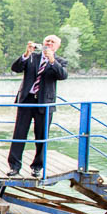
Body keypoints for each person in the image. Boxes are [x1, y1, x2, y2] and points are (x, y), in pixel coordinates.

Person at [7, 35, 68, 179]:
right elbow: (15, 68)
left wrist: (52, 60)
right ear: (42, 43)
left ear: (57, 46)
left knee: (41, 136)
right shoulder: (32, 57)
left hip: (44, 103)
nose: (49, 43)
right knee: (19, 134)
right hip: (27, 100)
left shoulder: (60, 61)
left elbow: (62, 75)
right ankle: (14, 167)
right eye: (47, 41)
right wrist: (26, 54)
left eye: (53, 42)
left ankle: (37, 167)